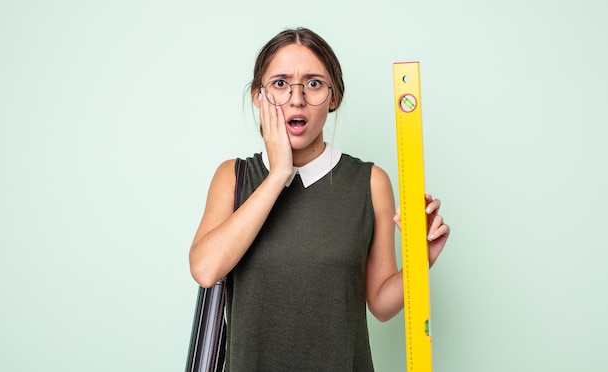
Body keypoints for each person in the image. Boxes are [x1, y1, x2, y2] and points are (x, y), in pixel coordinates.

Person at [189, 27, 450, 371]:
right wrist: (279, 173)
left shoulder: (369, 182)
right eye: (280, 83)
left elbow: (381, 305)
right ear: (258, 96)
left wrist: (422, 260)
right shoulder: (233, 177)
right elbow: (206, 270)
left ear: (334, 97)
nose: (297, 99)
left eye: (313, 83)